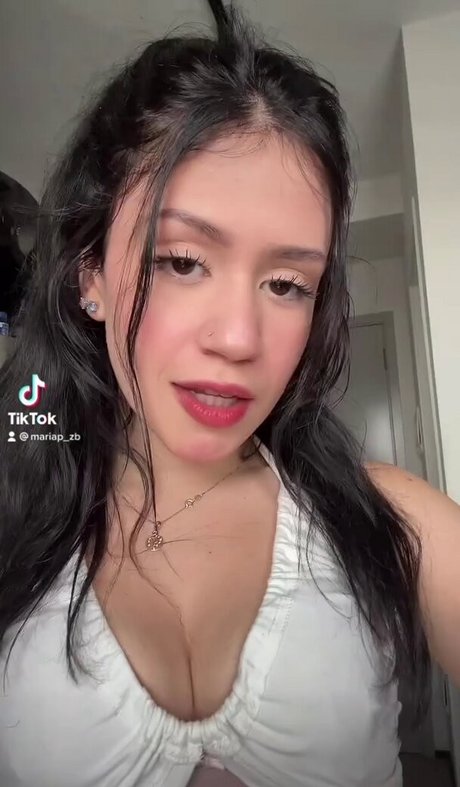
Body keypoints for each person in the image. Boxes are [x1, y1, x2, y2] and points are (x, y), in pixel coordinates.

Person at [0, 1, 459, 785]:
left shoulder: (395, 522)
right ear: (89, 275)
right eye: (182, 261)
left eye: (287, 284)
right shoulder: (14, 522)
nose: (241, 337)